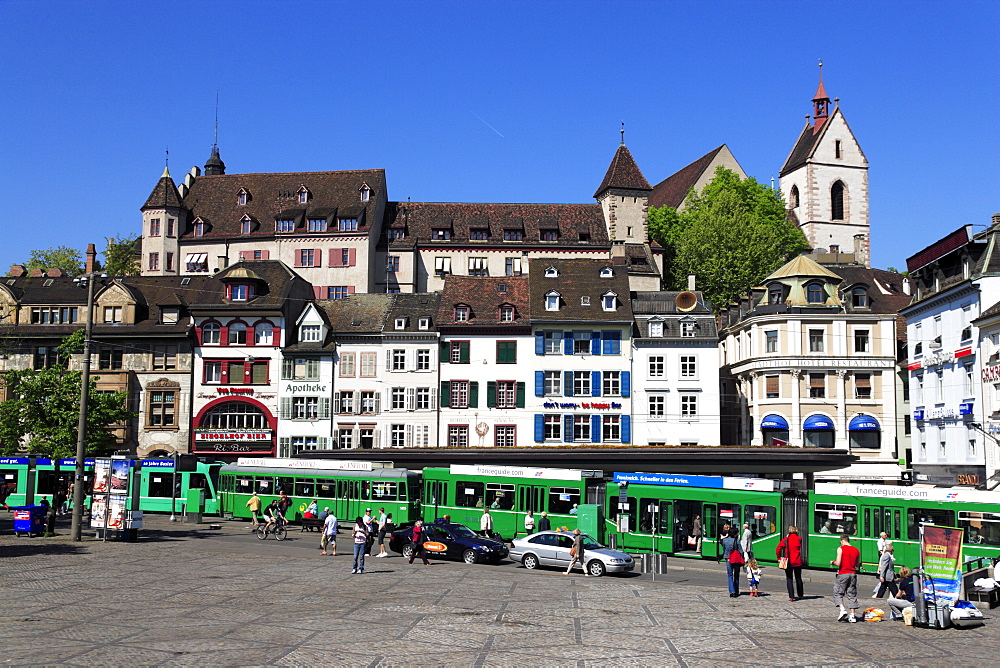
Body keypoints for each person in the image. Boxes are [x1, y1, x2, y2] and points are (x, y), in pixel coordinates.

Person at [831, 534, 861, 623]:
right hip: (853, 574)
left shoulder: (841, 549)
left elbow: (838, 563)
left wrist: (832, 562)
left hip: (843, 573)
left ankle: (842, 609)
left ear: (842, 540)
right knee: (852, 594)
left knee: (838, 592)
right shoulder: (856, 550)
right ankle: (852, 616)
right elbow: (857, 565)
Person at [776, 526, 805, 601]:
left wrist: (779, 558)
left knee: (789, 578)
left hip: (788, 561)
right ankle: (800, 594)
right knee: (798, 578)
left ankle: (791, 596)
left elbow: (778, 549)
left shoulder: (785, 540)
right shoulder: (799, 539)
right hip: (797, 561)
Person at [721, 528, 744, 597]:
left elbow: (724, 550)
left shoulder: (724, 541)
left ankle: (731, 591)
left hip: (728, 559)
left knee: (730, 575)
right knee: (736, 575)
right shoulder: (737, 541)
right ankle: (736, 591)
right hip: (736, 559)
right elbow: (741, 551)